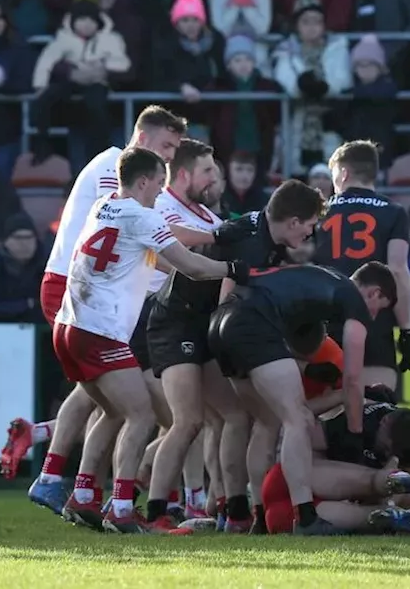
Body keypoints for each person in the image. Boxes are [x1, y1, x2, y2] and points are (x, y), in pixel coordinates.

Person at [56, 147, 249, 534]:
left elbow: (150, 258)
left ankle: (82, 494)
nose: (161, 192)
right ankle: (123, 507)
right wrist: (235, 268)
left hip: (68, 325)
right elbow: (192, 266)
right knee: (142, 415)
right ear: (143, 181)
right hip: (100, 330)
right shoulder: (142, 216)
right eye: (159, 183)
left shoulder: (103, 205)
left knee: (112, 412)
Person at [21, 105, 186, 515]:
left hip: (88, 286)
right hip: (76, 285)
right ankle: (59, 478)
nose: (169, 156)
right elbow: (132, 233)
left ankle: (74, 483)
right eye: (166, 145)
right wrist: (210, 238)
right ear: (143, 137)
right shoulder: (118, 169)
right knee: (109, 390)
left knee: (103, 391)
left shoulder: (117, 169)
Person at [209, 254, 397, 535]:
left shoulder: (321, 277)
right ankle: (306, 516)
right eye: (376, 308)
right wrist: (355, 436)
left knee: (266, 422)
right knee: (296, 419)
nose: (371, 316)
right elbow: (353, 379)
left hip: (222, 321)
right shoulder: (351, 298)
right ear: (374, 292)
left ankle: (258, 515)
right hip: (251, 322)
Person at [142, 139, 229, 532]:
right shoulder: (162, 206)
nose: (215, 178)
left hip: (197, 320)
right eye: (208, 170)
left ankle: (214, 502)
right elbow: (167, 240)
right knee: (161, 419)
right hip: (161, 316)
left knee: (216, 418)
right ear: (184, 174)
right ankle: (137, 499)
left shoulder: (206, 215)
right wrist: (225, 240)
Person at [260, 398, 410, 535]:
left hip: (310, 504)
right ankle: (391, 485)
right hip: (301, 484)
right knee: (370, 485)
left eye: (393, 451)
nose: (386, 452)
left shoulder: (407, 440)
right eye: (386, 447)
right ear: (384, 423)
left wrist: (388, 499)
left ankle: (391, 505)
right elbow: (304, 451)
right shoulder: (351, 420)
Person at [313, 140, 410, 391]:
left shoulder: (318, 212)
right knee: (378, 410)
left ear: (343, 173)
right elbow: (398, 270)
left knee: (327, 413)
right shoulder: (393, 212)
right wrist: (406, 330)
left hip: (327, 318)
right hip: (374, 317)